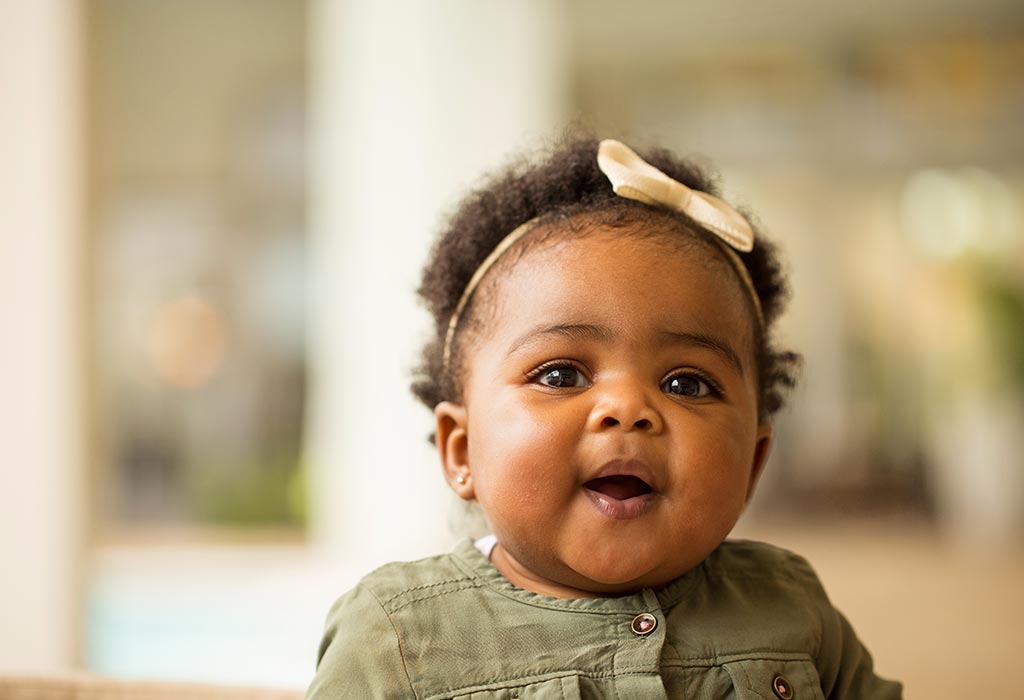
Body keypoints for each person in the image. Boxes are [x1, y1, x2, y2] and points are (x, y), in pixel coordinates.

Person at [306, 137, 903, 699]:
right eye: (561, 375)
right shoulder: (399, 635)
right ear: (461, 451)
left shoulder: (787, 603)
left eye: (686, 383)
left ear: (752, 462)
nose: (629, 409)